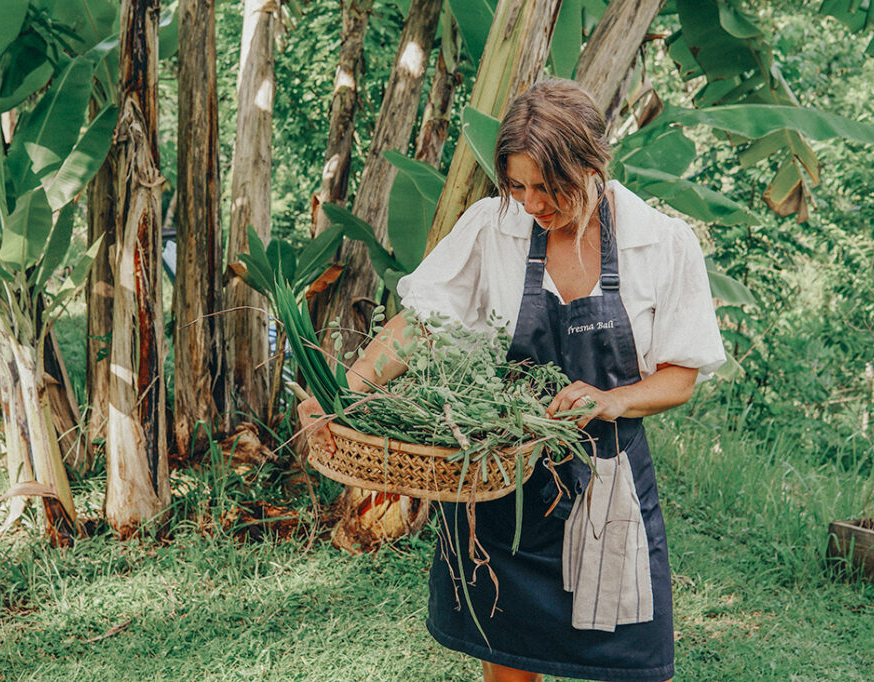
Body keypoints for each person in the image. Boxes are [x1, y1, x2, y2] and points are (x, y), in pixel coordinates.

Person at [299, 79, 725, 682]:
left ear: (592, 164)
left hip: (608, 488)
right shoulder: (492, 226)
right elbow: (419, 326)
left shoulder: (660, 243)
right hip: (504, 481)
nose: (530, 203)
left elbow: (681, 375)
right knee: (508, 659)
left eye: (548, 187)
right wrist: (344, 393)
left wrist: (612, 399)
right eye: (517, 185)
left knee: (627, 662)